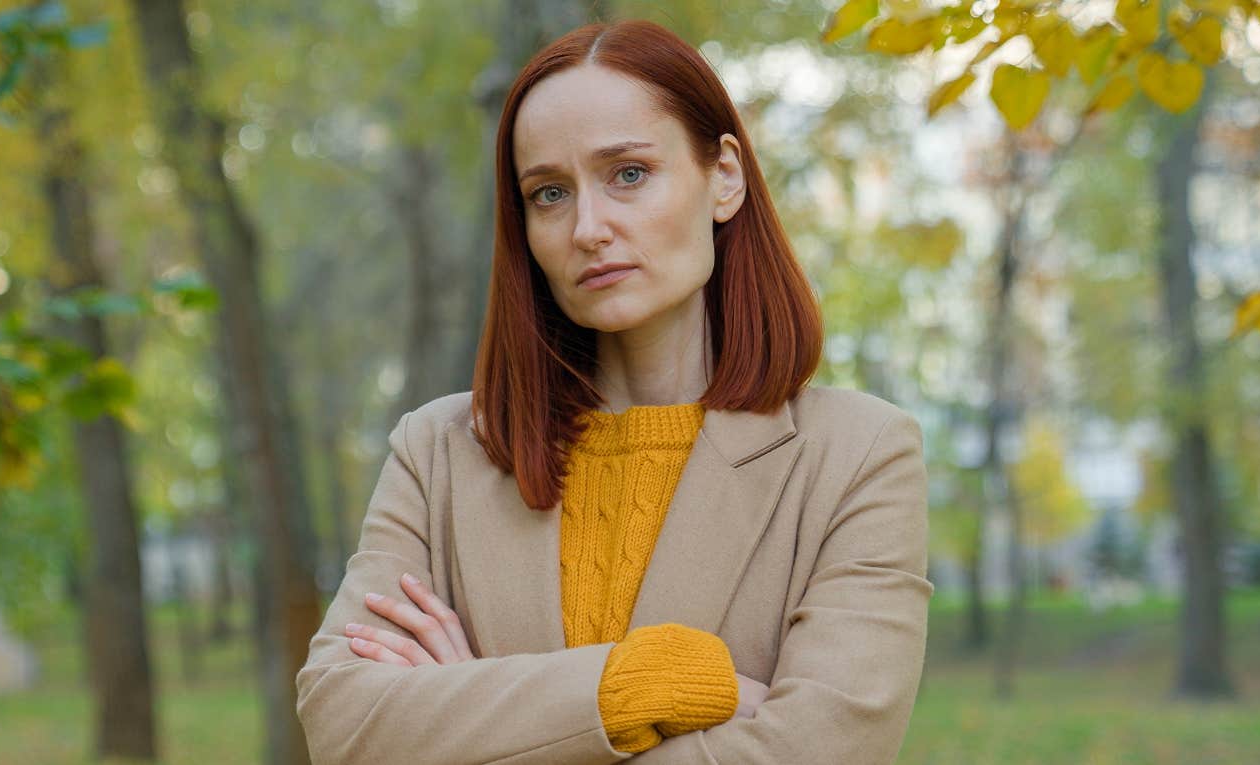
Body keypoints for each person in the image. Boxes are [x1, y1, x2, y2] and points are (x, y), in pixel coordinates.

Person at [296, 18, 932, 764]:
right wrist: (653, 680)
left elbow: (823, 751)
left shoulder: (859, 456)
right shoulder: (438, 454)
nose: (588, 228)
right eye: (549, 193)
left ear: (723, 176)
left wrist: (474, 708)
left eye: (628, 173)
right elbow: (343, 720)